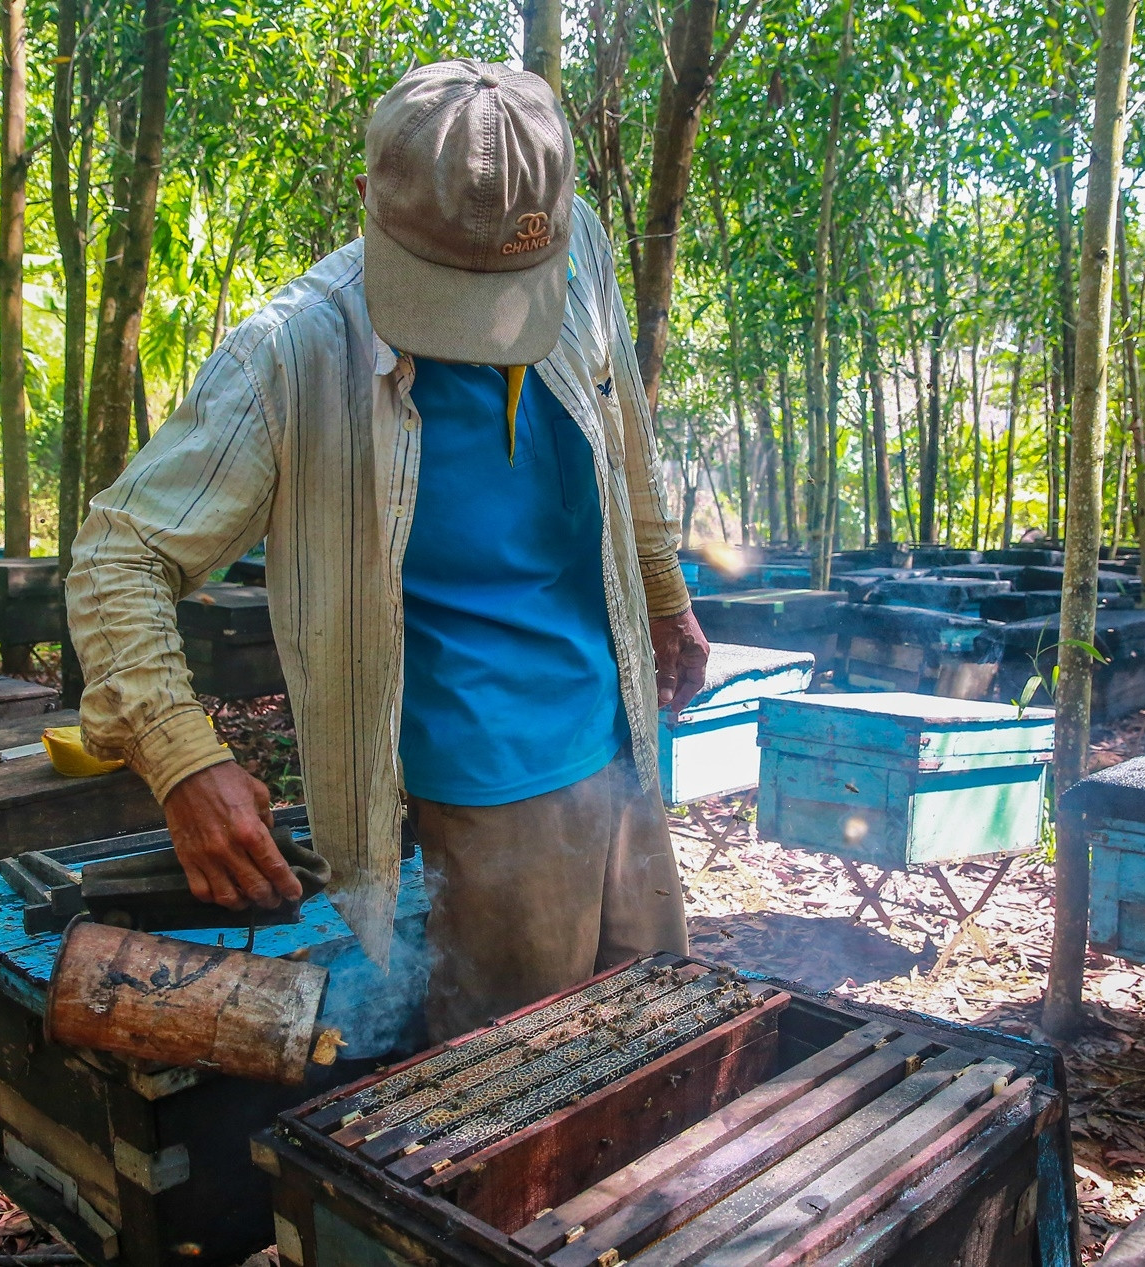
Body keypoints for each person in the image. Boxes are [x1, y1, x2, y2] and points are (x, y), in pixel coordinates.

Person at [66, 57, 708, 1041]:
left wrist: (662, 589)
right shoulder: (293, 350)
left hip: (617, 719)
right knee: (516, 1081)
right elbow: (120, 552)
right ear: (368, 199)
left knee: (650, 1031)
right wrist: (180, 755)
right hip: (487, 769)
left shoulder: (577, 242)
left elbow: (621, 430)